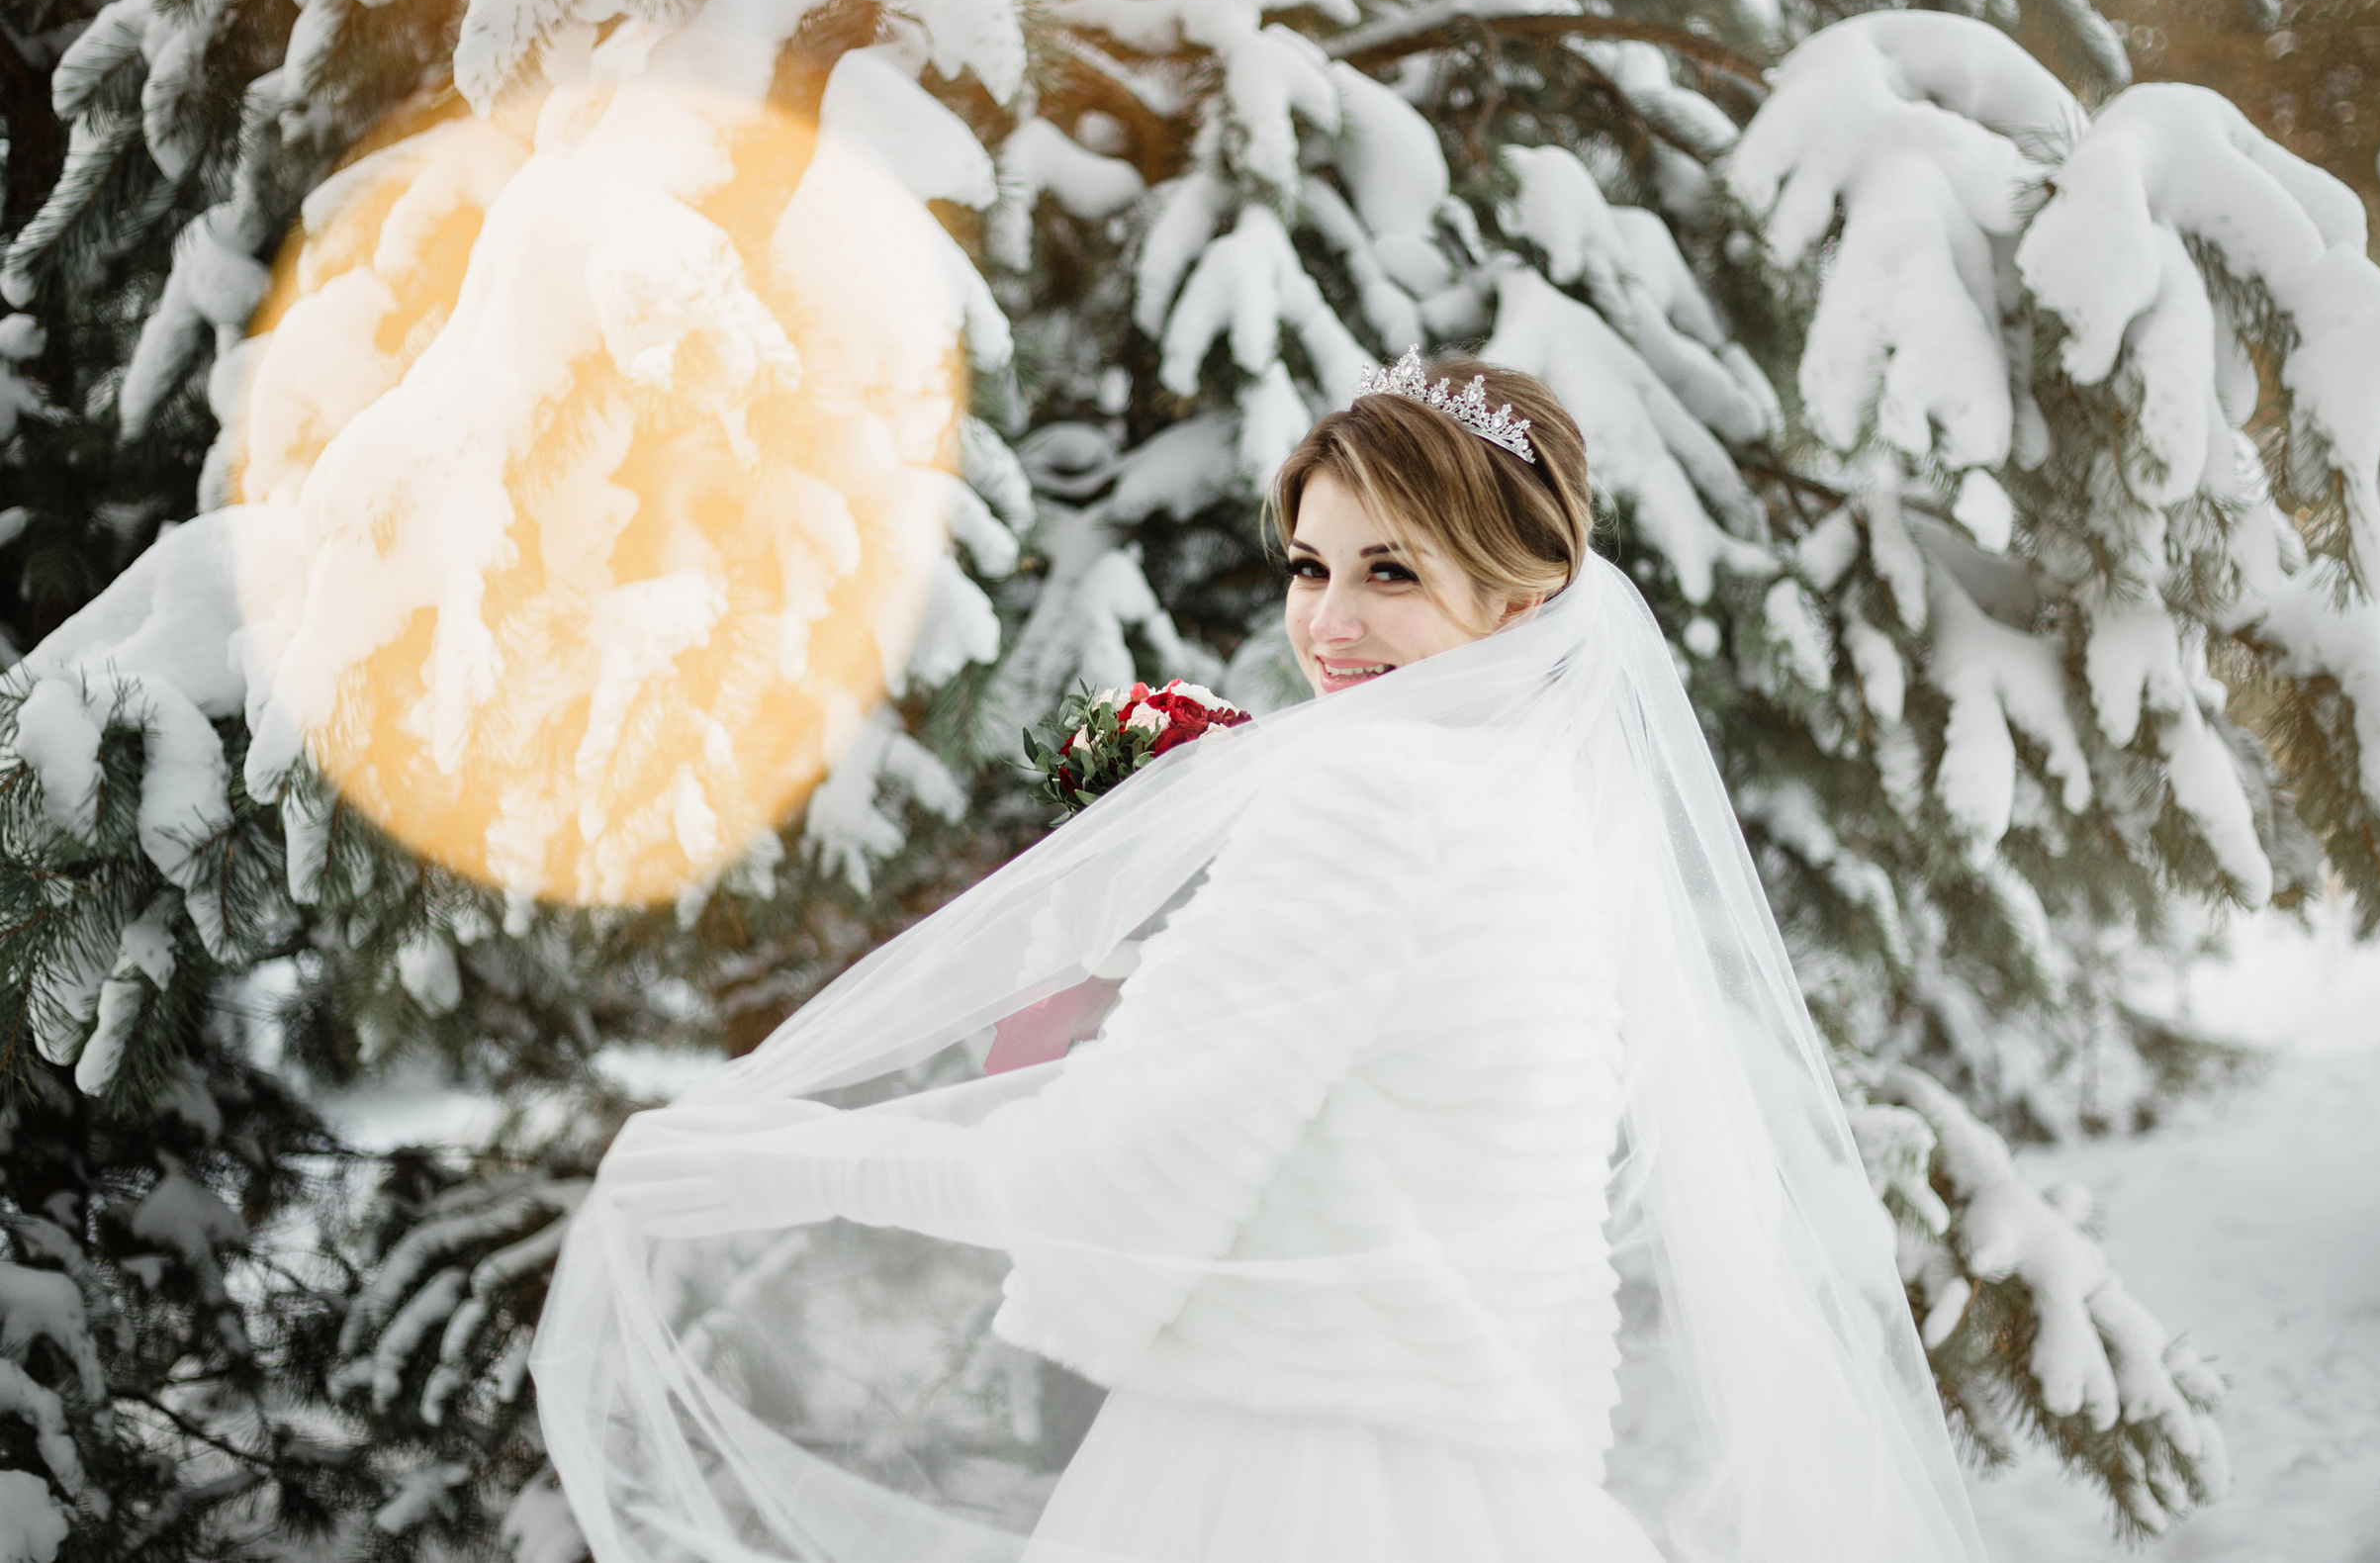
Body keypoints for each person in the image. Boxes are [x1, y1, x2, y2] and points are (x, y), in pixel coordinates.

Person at [537, 353, 1989, 1563]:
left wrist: (796, 1159)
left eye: (1392, 572)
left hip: (1290, 1489)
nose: (1331, 623)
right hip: (1495, 1491)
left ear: (1521, 601)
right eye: (1309, 565)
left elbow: (1105, 1177)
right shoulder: (1536, 815)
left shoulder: (1373, 800)